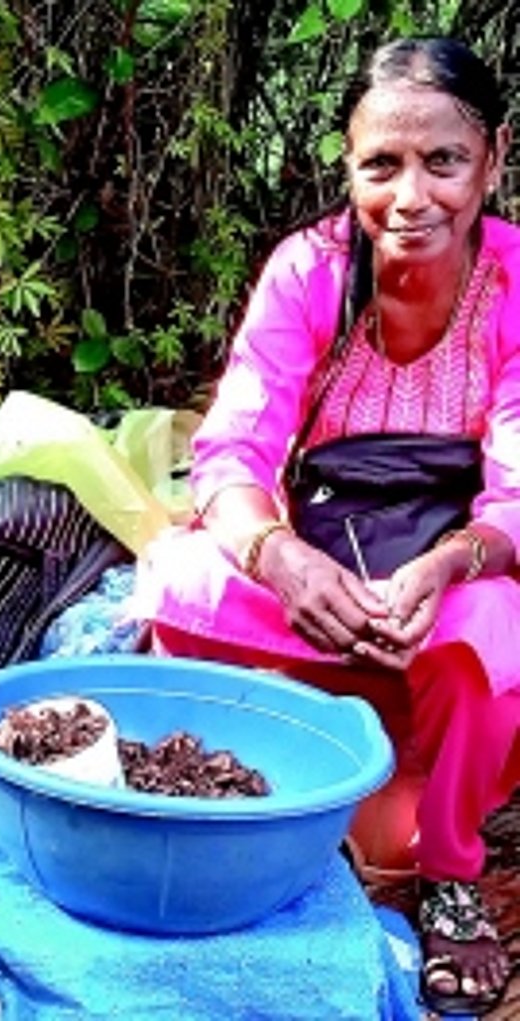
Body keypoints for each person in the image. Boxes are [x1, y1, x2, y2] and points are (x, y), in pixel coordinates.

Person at [135, 36, 520, 1016]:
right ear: (349, 168)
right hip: (322, 578)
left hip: (444, 587)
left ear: (494, 160)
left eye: (445, 161)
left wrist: (449, 562)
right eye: (380, 166)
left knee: (495, 634)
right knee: (175, 578)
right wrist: (280, 557)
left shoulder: (516, 282)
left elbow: (517, 487)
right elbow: (232, 451)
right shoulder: (309, 269)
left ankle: (452, 872)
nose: (411, 196)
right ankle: (265, 774)